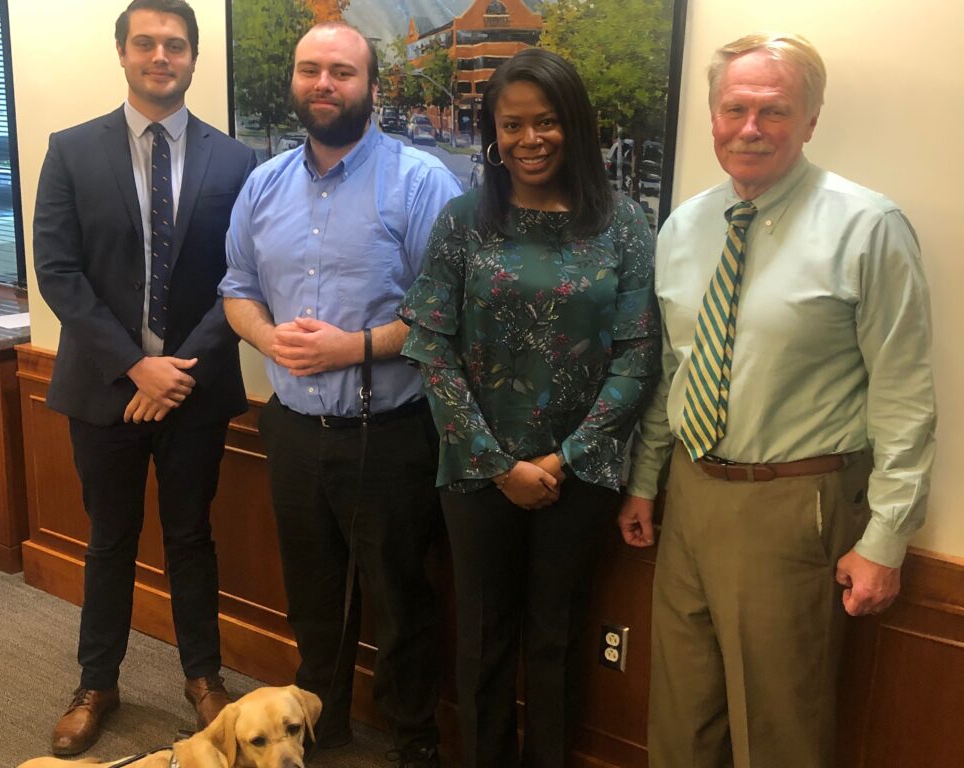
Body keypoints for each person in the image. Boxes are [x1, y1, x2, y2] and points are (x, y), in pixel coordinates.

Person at [618, 33, 936, 768]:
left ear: (811, 119)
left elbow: (905, 395)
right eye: (735, 108)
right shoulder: (684, 229)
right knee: (680, 720)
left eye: (774, 110)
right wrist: (645, 481)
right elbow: (678, 369)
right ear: (713, 114)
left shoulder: (867, 227)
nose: (751, 127)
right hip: (691, 497)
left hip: (794, 507)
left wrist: (886, 537)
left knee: (778, 735)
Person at [399, 48, 661, 768]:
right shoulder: (463, 222)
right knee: (482, 641)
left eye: (546, 122)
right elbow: (431, 348)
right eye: (512, 125)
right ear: (493, 133)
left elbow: (640, 354)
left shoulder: (625, 225)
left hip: (579, 474)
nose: (530, 139)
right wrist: (496, 463)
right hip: (477, 472)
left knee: (555, 641)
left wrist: (562, 458)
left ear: (574, 126)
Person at [218, 22, 462, 768]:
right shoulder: (262, 185)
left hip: (388, 431)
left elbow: (446, 313)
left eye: (343, 72)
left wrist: (352, 347)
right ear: (294, 82)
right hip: (291, 427)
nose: (324, 83)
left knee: (400, 599)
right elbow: (236, 289)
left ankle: (414, 738)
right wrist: (265, 338)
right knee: (313, 592)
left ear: (374, 89)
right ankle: (318, 735)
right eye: (310, 70)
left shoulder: (422, 183)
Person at [32, 0, 256, 755]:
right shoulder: (70, 150)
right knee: (109, 539)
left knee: (192, 536)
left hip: (195, 392)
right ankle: (98, 681)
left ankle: (203, 679)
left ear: (194, 58)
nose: (161, 56)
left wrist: (175, 371)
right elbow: (58, 272)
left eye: (176, 45)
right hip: (103, 391)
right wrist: (135, 366)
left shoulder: (236, 161)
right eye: (147, 43)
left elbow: (243, 278)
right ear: (122, 53)